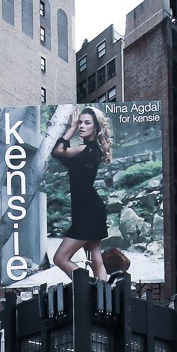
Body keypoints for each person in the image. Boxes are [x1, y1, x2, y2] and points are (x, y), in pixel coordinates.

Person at [50, 106, 113, 277]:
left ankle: (88, 290)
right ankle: (103, 301)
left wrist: (70, 128)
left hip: (87, 212)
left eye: (87, 123)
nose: (81, 126)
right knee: (96, 260)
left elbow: (57, 152)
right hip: (91, 209)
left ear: (96, 127)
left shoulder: (84, 149)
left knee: (60, 258)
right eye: (79, 123)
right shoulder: (93, 151)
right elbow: (67, 159)